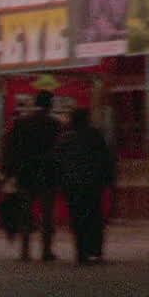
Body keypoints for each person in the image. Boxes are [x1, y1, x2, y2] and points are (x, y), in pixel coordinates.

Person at [1, 90, 64, 261]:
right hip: (47, 174)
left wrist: (8, 172)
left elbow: (11, 148)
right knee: (47, 214)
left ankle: (25, 251)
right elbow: (59, 152)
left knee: (25, 214)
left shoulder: (22, 123)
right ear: (50, 104)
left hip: (25, 173)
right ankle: (46, 250)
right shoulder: (55, 125)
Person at [54, 104, 115, 263]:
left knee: (77, 218)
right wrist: (108, 180)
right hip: (92, 183)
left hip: (72, 184)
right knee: (94, 216)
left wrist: (60, 183)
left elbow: (58, 162)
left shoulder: (65, 138)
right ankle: (95, 251)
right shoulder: (95, 136)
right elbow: (105, 159)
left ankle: (81, 251)